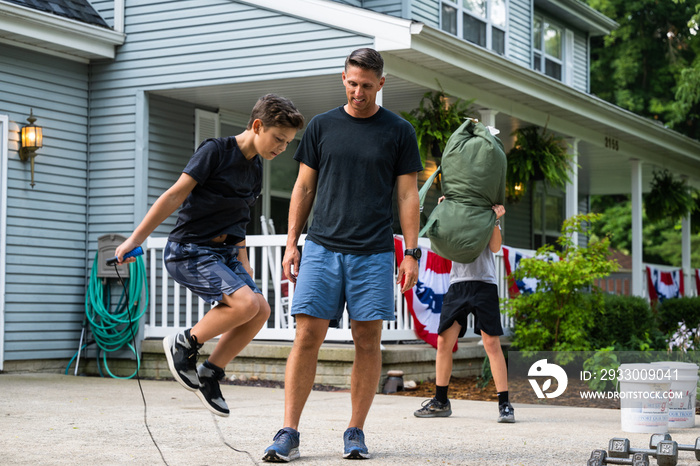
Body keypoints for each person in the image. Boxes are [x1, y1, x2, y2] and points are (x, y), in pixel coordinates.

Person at [262, 48, 422, 462]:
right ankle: (288, 432)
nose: (358, 92)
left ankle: (355, 431)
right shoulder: (321, 126)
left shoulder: (398, 131)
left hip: (372, 252)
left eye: (367, 85)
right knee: (306, 336)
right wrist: (291, 242)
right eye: (352, 83)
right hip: (321, 247)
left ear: (381, 84)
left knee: (367, 340)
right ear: (344, 79)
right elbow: (303, 188)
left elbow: (407, 195)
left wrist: (411, 253)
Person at [113, 94, 305, 417]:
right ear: (258, 126)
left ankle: (210, 372)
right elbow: (174, 195)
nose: (282, 148)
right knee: (245, 303)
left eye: (287, 143)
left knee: (260, 309)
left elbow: (239, 218)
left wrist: (243, 262)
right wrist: (134, 239)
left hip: (225, 252)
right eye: (278, 139)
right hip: (189, 249)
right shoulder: (215, 151)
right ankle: (183, 344)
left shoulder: (255, 169)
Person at [413, 201, 515, 423]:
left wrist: (496, 218)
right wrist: (443, 211)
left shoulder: (486, 213)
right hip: (458, 284)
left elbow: (496, 248)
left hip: (484, 284)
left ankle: (505, 405)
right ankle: (441, 401)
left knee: (491, 344)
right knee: (443, 343)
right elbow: (440, 239)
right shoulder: (454, 213)